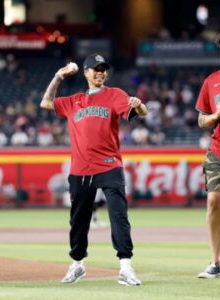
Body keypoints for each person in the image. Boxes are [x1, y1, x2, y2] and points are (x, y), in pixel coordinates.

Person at [40, 54, 148, 286]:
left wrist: (139, 106)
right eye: (96, 69)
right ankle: (77, 263)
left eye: (103, 69)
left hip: (109, 165)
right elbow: (46, 103)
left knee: (118, 215)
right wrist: (58, 76)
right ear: (86, 72)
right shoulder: (73, 101)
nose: (100, 72)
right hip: (80, 169)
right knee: (79, 220)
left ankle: (125, 266)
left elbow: (142, 112)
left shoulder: (115, 94)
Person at [195, 26, 220, 279]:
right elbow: (201, 120)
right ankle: (215, 262)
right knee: (213, 203)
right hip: (219, 152)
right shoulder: (211, 81)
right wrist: (215, 116)